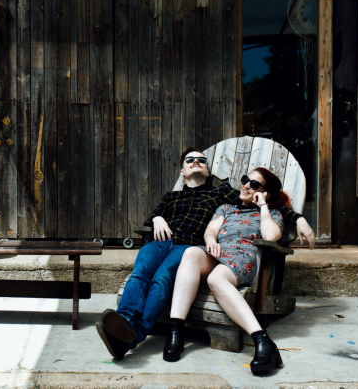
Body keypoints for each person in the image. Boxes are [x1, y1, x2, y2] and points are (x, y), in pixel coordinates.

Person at [95, 148, 315, 361]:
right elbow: (203, 228)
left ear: (209, 172)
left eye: (201, 159)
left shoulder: (221, 193)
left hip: (191, 246)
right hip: (166, 243)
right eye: (189, 160)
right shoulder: (174, 197)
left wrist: (299, 218)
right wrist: (157, 218)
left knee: (161, 279)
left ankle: (134, 334)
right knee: (140, 272)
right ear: (182, 172)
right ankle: (125, 320)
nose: (247, 185)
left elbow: (272, 217)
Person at [163, 167, 290, 373]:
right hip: (217, 252)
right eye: (246, 179)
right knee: (191, 254)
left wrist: (264, 205)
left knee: (216, 278)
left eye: (255, 184)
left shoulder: (272, 214)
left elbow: (270, 236)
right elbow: (211, 230)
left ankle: (262, 341)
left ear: (265, 192)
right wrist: (211, 241)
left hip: (242, 258)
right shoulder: (226, 208)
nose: (247, 185)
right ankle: (176, 331)